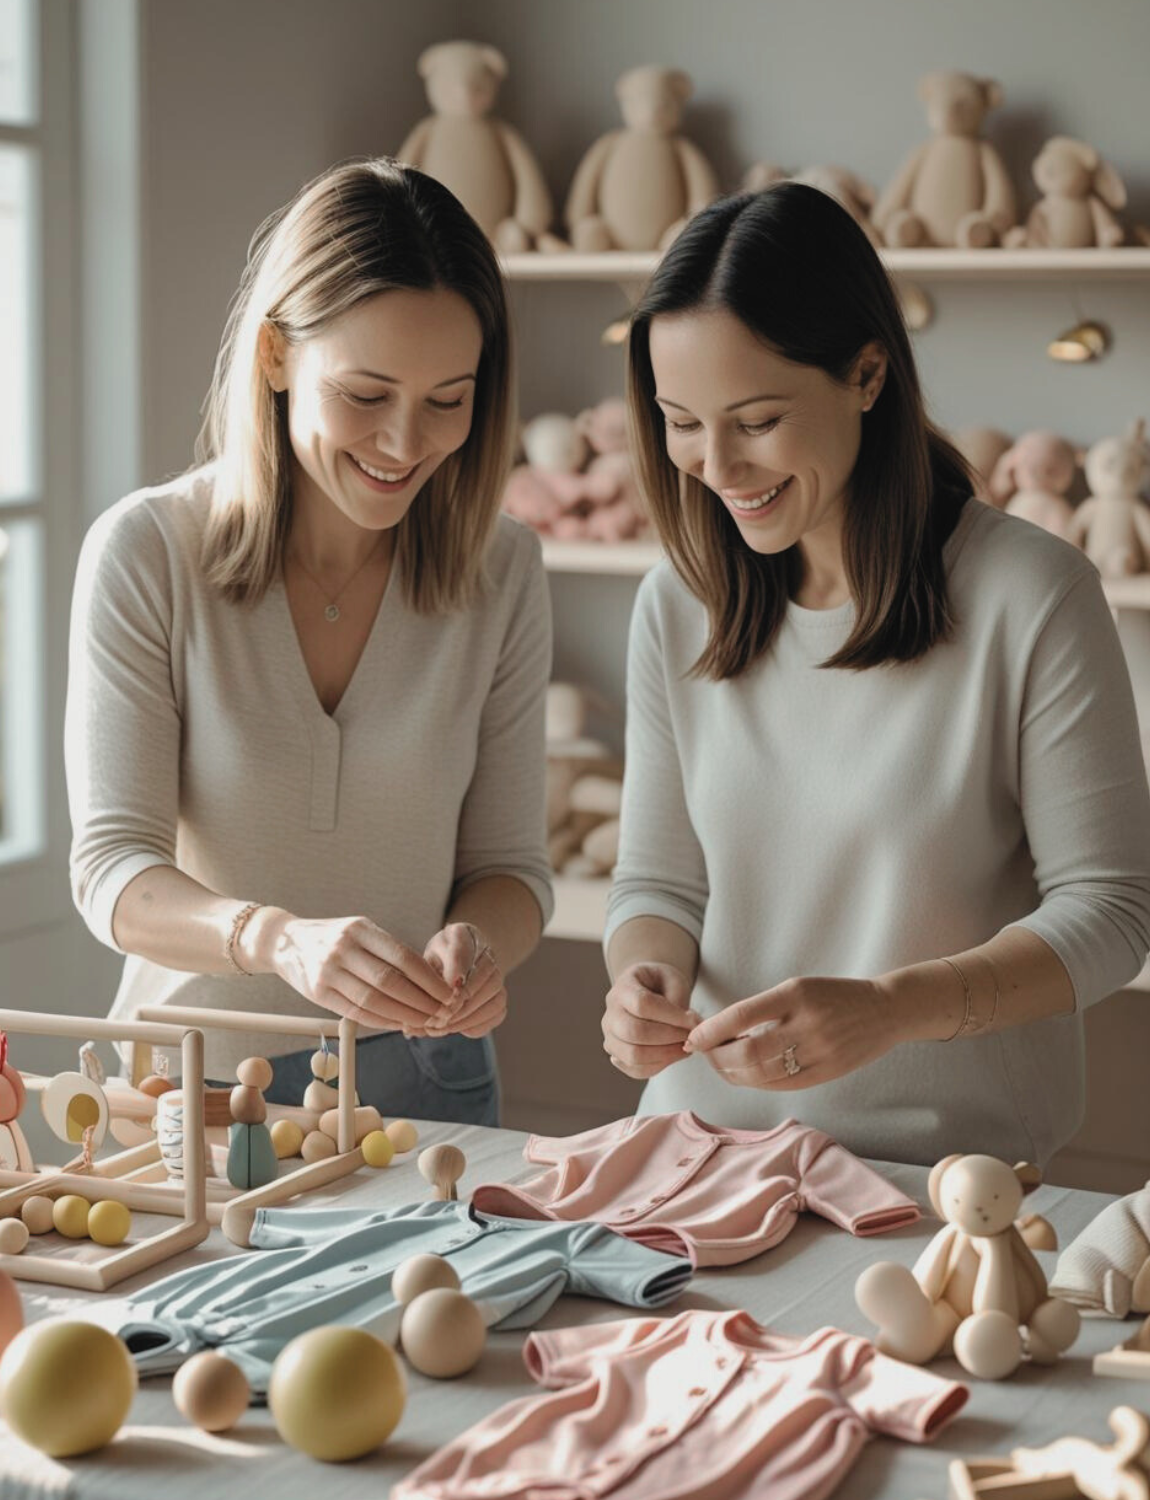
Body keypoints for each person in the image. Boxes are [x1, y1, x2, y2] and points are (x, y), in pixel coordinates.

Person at [602, 181, 1150, 1168]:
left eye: (755, 420)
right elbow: (659, 882)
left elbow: (1111, 913)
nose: (716, 466)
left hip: (942, 1177)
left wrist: (892, 1008)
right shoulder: (675, 602)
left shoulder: (1032, 594)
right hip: (691, 1150)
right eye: (680, 421)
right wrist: (641, 976)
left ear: (866, 374)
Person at [66, 158, 553, 1123]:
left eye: (447, 399)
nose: (405, 444)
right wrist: (275, 939)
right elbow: (112, 871)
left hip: (429, 1077)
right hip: (195, 1081)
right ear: (276, 357)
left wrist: (479, 945)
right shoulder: (147, 553)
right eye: (366, 394)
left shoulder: (502, 569)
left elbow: (510, 869)